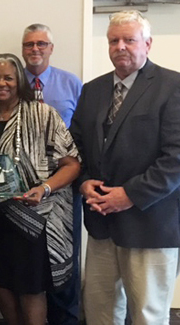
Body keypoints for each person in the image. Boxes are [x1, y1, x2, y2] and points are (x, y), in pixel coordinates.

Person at [70, 10, 180, 324]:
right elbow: (75, 146)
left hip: (150, 223)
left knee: (147, 314)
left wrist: (129, 195)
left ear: (147, 43)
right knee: (100, 310)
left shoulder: (172, 86)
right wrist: (84, 181)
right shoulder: (93, 89)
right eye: (113, 40)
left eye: (129, 40)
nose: (120, 46)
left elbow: (176, 159)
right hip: (102, 223)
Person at [0, 54, 79, 325]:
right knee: (1, 284)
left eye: (8, 77)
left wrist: (44, 188)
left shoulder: (43, 114)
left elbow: (72, 165)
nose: (1, 83)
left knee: (31, 288)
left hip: (36, 218)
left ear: (20, 80)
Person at [21, 23, 83, 325]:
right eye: (29, 44)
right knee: (31, 265)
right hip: (21, 191)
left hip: (62, 187)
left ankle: (66, 320)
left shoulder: (72, 84)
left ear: (51, 48)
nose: (35, 49)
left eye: (41, 44)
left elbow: (82, 137)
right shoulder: (9, 82)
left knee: (65, 260)